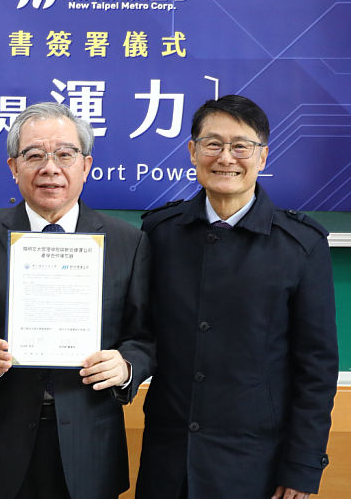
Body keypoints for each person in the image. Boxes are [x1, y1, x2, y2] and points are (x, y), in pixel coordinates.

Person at [0, 102, 155, 499]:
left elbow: (144, 335)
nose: (50, 167)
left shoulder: (128, 242)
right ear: (13, 166)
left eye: (64, 153)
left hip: (90, 446)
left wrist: (126, 366)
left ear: (86, 164)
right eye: (34, 155)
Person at [135, 95, 339, 499]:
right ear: (192, 151)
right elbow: (140, 331)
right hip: (167, 459)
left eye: (241, 146)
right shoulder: (159, 232)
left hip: (255, 464)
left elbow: (316, 367)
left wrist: (301, 466)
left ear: (262, 156)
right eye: (213, 144)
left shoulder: (300, 245)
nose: (226, 157)